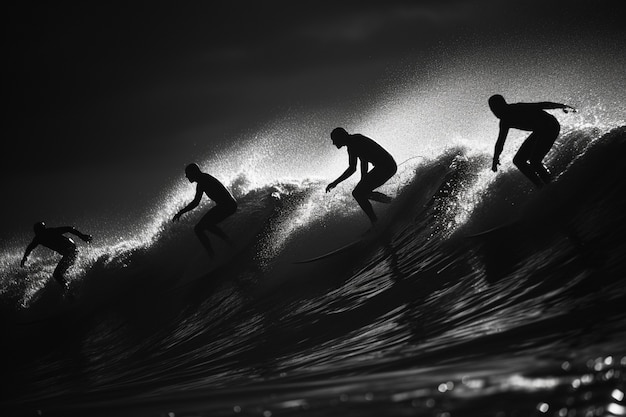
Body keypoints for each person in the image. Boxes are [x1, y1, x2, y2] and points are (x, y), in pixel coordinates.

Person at [489, 94, 576, 188]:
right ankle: (541, 186)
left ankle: (551, 184)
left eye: (495, 108)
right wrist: (495, 159)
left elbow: (541, 105)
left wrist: (562, 106)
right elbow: (500, 142)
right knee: (518, 160)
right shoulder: (505, 122)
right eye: (492, 109)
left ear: (502, 105)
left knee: (534, 161)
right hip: (539, 131)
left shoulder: (517, 108)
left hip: (551, 125)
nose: (494, 112)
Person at [326, 127, 397, 224]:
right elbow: (363, 160)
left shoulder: (354, 142)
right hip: (387, 165)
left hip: (385, 166)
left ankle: (375, 221)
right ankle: (394, 202)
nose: (334, 143)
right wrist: (364, 178)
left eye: (334, 140)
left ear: (341, 137)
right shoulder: (353, 142)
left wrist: (335, 182)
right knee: (362, 192)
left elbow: (352, 168)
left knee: (357, 193)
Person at [172, 163, 238, 257]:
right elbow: (196, 202)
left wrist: (180, 212)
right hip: (227, 205)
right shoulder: (202, 180)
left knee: (199, 228)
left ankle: (214, 255)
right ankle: (228, 244)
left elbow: (196, 202)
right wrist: (181, 212)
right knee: (204, 226)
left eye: (188, 173)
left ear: (193, 172)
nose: (186, 176)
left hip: (227, 205)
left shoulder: (203, 180)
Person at [21, 221, 92, 290]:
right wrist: (24, 258)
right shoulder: (38, 239)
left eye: (41, 231)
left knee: (57, 274)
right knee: (60, 274)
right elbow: (29, 248)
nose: (40, 233)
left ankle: (68, 290)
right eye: (37, 232)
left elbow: (68, 228)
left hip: (71, 250)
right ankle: (71, 287)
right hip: (69, 253)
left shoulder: (50, 232)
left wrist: (82, 236)